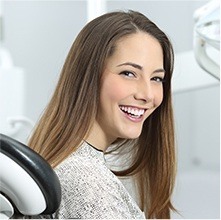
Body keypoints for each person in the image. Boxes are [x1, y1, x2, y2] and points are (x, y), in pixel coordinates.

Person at [28, 10, 176, 219]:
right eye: (128, 73)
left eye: (156, 78)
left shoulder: (71, 165)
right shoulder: (87, 180)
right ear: (88, 77)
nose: (147, 95)